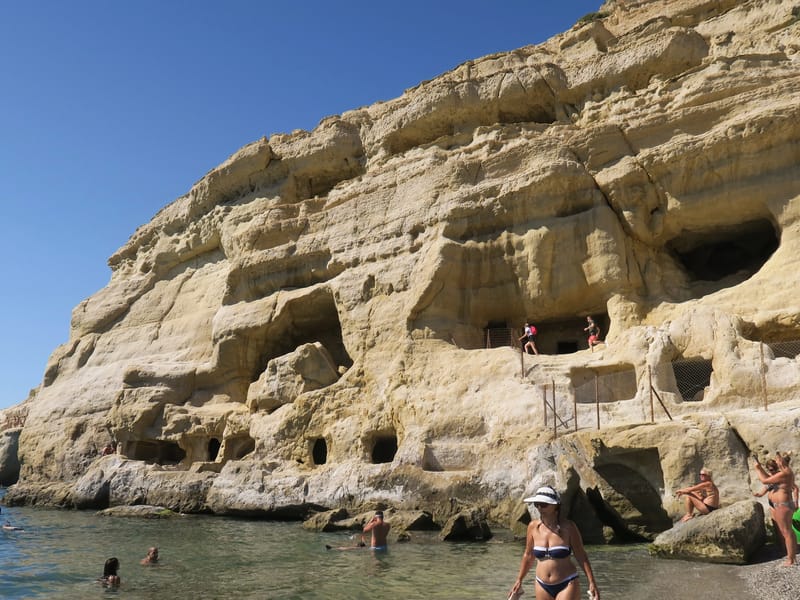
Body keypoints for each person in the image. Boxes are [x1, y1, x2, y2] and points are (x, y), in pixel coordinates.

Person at [509, 486, 599, 600]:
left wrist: (591, 582)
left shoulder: (569, 527)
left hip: (567, 582)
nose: (539, 508)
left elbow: (581, 555)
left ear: (556, 506)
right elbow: (528, 555)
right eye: (537, 504)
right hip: (541, 583)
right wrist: (519, 580)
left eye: (544, 504)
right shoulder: (533, 527)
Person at [753, 451, 797, 565]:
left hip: (782, 505)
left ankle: (790, 559)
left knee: (786, 532)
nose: (776, 461)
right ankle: (791, 556)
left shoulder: (785, 473)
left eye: (778, 460)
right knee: (788, 532)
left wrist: (757, 469)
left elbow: (764, 480)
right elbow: (769, 480)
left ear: (782, 461)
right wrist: (760, 467)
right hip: (782, 505)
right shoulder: (785, 472)